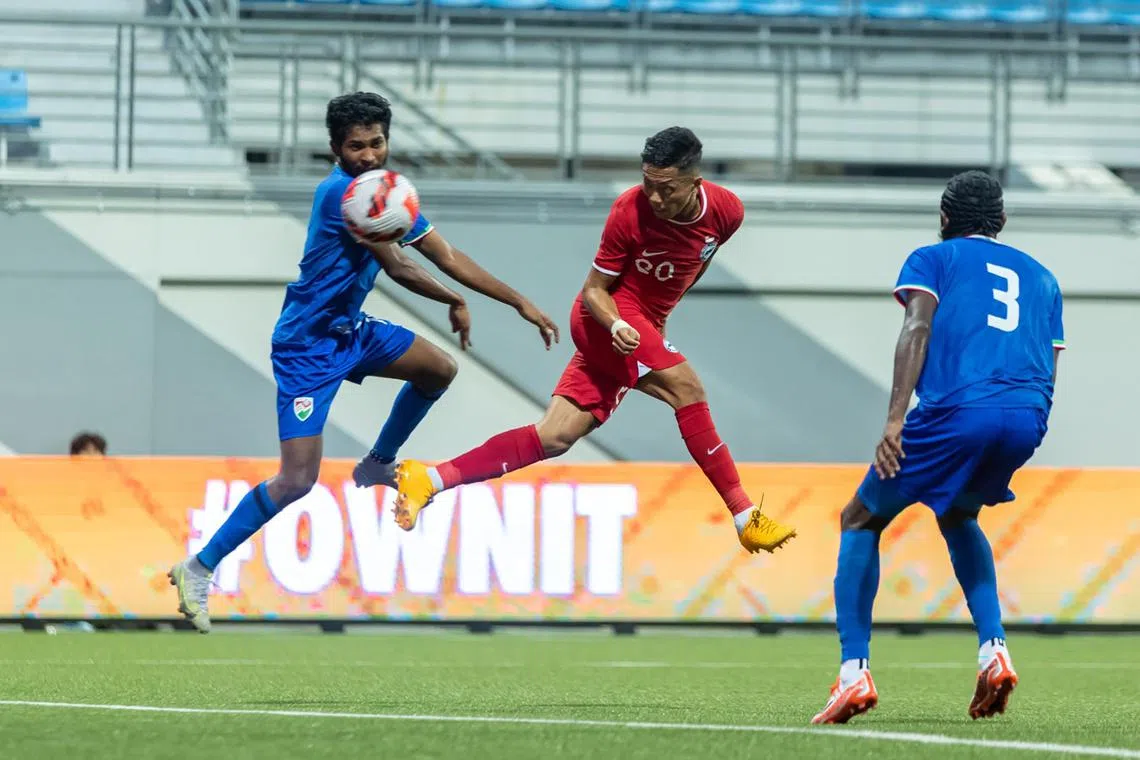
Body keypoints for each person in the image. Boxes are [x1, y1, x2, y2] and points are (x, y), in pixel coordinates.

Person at [168, 92, 559, 633]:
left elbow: (446, 255)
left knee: (438, 369)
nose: (370, 155)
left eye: (377, 143)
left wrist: (517, 301)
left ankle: (379, 462)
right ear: (335, 149)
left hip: (349, 331)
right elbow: (398, 267)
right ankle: (198, 565)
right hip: (306, 346)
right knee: (297, 479)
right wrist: (454, 300)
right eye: (357, 147)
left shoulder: (382, 193)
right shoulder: (343, 197)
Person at [392, 127, 797, 555]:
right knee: (687, 389)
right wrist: (621, 326)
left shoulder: (728, 213)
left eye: (666, 190)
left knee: (555, 436)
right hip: (603, 319)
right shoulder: (628, 210)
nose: (655, 199)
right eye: (648, 185)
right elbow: (594, 290)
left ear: (694, 183)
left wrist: (653, 327)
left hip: (642, 328)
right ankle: (743, 514)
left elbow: (693, 265)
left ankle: (429, 479)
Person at [811, 171, 1065, 725]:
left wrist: (895, 419)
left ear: (944, 218)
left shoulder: (933, 258)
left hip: (958, 412)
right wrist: (1026, 420)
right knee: (957, 513)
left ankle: (853, 674)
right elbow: (1051, 362)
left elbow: (916, 329)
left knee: (859, 519)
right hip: (1026, 417)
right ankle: (994, 650)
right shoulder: (1043, 277)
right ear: (1002, 222)